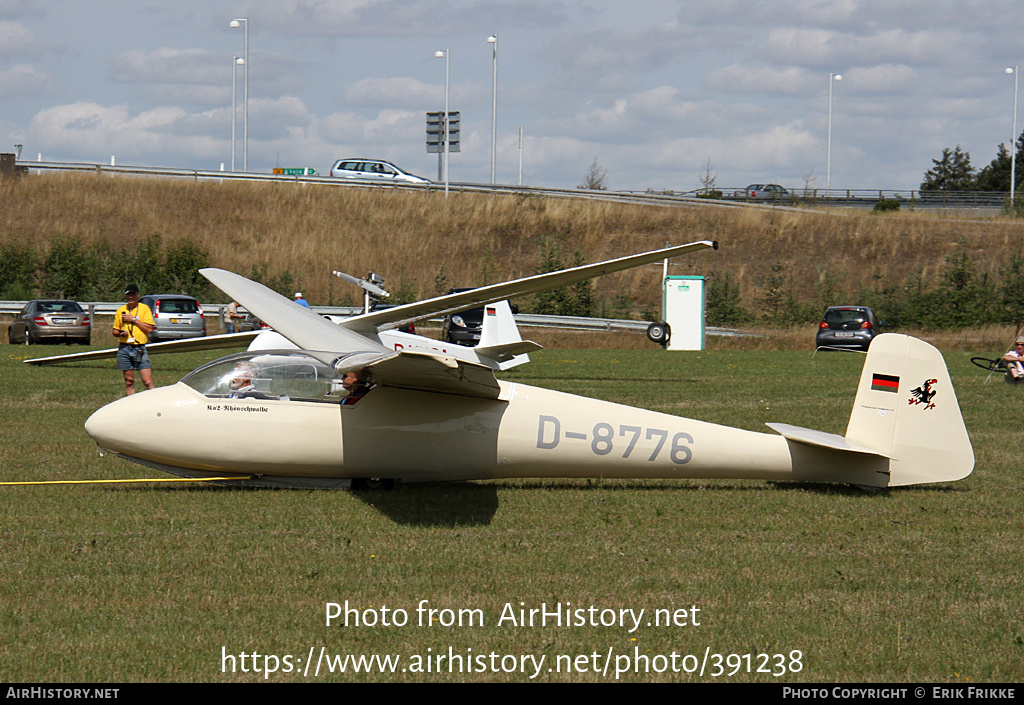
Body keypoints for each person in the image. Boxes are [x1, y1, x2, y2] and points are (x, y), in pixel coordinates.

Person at [112, 284, 156, 395]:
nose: (130, 297)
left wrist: (133, 320)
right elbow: (115, 331)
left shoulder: (144, 309)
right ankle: (130, 404)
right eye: (128, 295)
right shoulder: (121, 311)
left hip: (139, 348)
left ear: (138, 295)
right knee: (129, 381)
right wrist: (122, 333)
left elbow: (149, 329)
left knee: (147, 381)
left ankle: (154, 401)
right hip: (124, 348)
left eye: (132, 295)